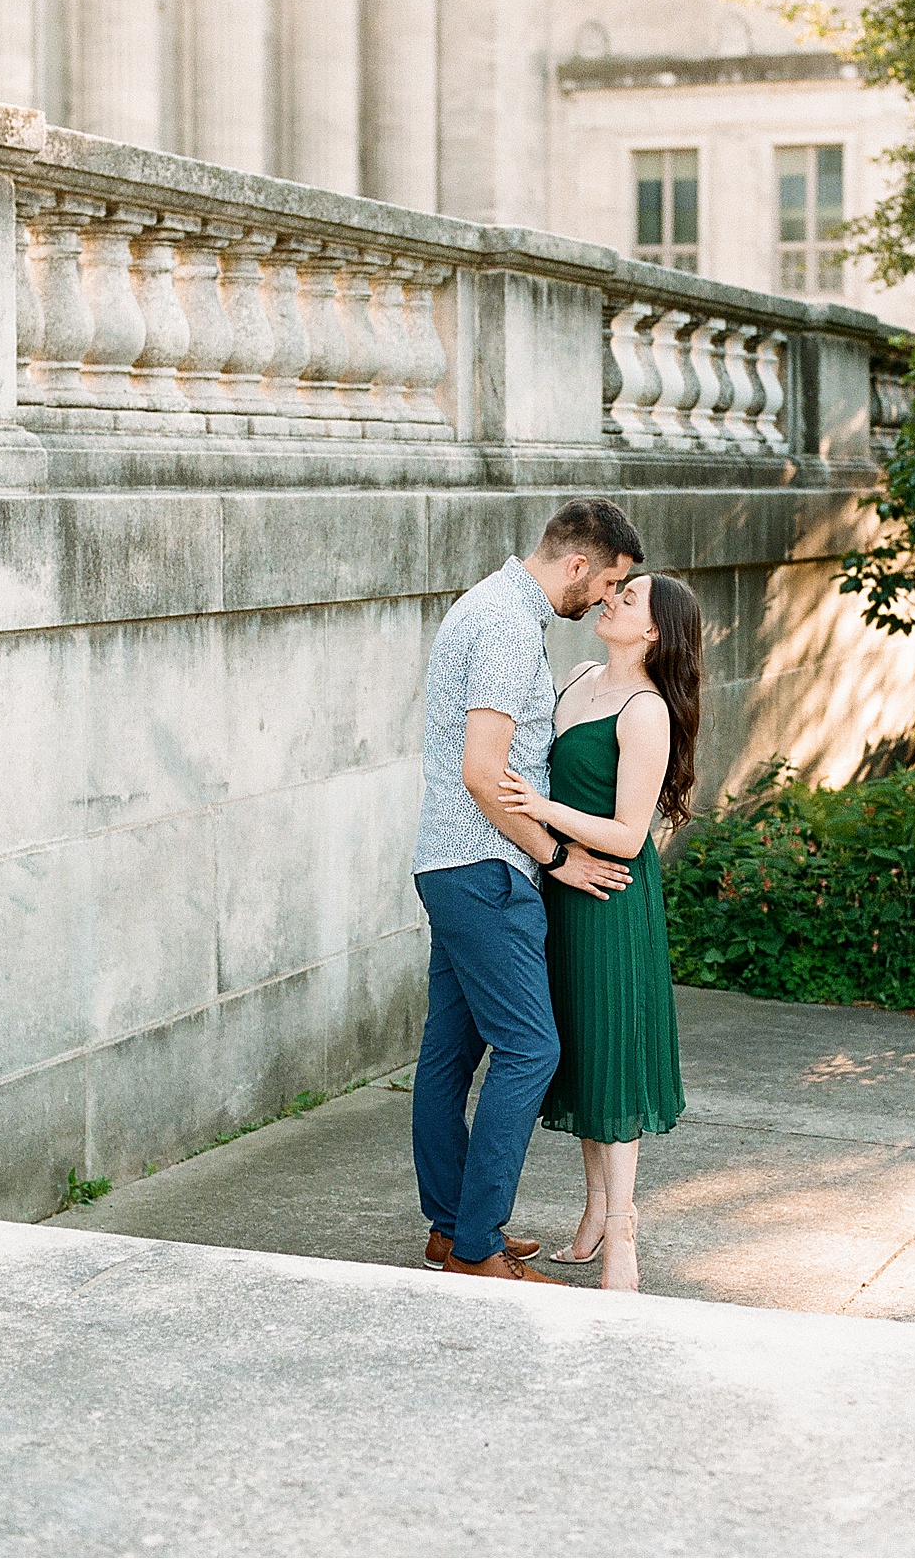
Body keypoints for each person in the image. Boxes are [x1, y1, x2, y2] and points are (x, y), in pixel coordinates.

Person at [408, 498, 645, 1285]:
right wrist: (554, 858)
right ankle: (477, 1245)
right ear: (577, 565)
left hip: (451, 861)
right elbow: (485, 770)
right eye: (610, 582)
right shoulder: (510, 624)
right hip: (485, 866)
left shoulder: (491, 605)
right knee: (530, 1047)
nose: (609, 599)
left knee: (451, 1052)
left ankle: (451, 1229)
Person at [498, 572, 699, 1293]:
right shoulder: (579, 673)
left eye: (632, 596)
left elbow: (627, 830)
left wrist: (541, 809)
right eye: (617, 588)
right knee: (582, 1056)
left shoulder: (646, 710)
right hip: (562, 891)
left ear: (653, 632)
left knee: (613, 1055)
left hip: (611, 898)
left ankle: (623, 1229)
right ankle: (592, 1211)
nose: (611, 597)